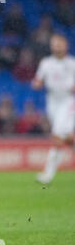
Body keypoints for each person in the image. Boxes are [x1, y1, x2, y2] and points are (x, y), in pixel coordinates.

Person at [32, 33, 75, 184]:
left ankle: (47, 174)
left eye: (59, 43)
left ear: (65, 45)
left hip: (68, 100)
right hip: (52, 101)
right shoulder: (46, 63)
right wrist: (36, 83)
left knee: (57, 134)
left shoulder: (72, 63)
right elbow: (38, 79)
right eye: (54, 44)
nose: (56, 46)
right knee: (67, 137)